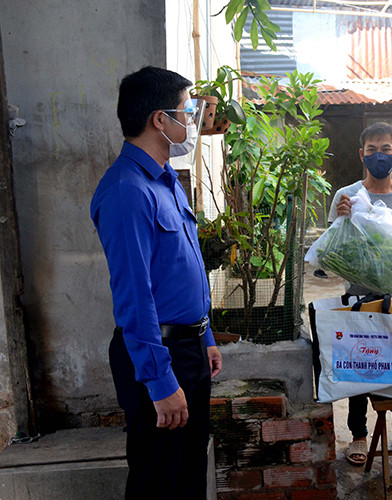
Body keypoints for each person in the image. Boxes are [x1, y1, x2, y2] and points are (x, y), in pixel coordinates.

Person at [91, 66, 223, 499]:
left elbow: (179, 271)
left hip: (187, 349)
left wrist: (204, 336)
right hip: (157, 354)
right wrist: (160, 382)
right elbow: (135, 297)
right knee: (158, 478)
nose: (192, 120)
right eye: (186, 110)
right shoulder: (127, 191)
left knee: (188, 469)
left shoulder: (166, 180)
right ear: (159, 120)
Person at [327, 121, 392, 466]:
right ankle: (358, 435)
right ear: (361, 155)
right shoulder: (347, 196)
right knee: (360, 364)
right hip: (358, 297)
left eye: (386, 149)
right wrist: (342, 218)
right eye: (372, 150)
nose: (379, 156)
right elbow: (335, 249)